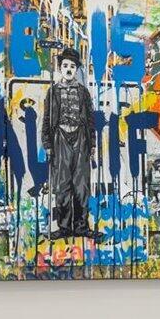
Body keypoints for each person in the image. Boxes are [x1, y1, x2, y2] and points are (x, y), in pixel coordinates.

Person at [44, 49, 97, 238]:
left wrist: (92, 144)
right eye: (65, 65)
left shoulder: (83, 92)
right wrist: (48, 144)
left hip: (81, 138)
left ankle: (81, 227)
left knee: (81, 185)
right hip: (61, 139)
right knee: (62, 185)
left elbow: (91, 120)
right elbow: (47, 119)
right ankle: (64, 227)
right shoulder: (53, 92)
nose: (68, 69)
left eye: (72, 66)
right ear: (60, 68)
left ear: (77, 70)